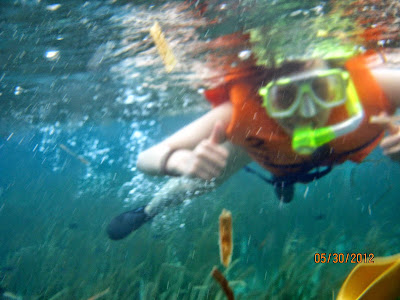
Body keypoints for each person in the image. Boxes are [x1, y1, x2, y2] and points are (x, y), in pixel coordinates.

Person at [106, 45, 400, 240]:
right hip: (261, 150)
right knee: (197, 183)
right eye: (285, 97)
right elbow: (147, 157)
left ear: (342, 80)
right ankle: (147, 212)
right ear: (262, 97)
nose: (308, 113)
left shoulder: (377, 87)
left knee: (286, 177)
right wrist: (178, 161)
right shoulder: (242, 115)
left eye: (322, 89)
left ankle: (284, 181)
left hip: (301, 155)